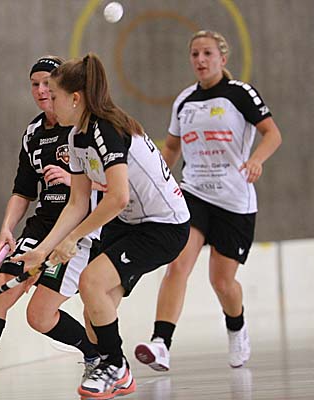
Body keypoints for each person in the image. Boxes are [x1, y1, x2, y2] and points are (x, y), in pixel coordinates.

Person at [15, 52, 191, 399]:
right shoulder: (76, 137)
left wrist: (72, 239)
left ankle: (115, 367)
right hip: (129, 223)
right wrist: (43, 250)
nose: (49, 100)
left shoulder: (105, 130)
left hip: (163, 225)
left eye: (55, 94)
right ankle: (114, 371)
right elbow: (77, 203)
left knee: (90, 281)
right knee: (94, 311)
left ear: (75, 98)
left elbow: (118, 197)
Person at [0, 56, 101, 400]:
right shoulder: (33, 133)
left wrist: (73, 179)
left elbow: (112, 182)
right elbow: (23, 190)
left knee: (39, 317)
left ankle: (95, 355)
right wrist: (7, 228)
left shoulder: (85, 126)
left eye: (48, 84)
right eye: (34, 84)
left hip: (77, 231)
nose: (41, 91)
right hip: (40, 227)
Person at [134, 30, 282, 371]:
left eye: (207, 53)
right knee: (178, 265)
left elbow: (272, 133)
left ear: (222, 58)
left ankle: (237, 328)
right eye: (195, 54)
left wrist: (256, 159)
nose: (200, 60)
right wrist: (152, 182)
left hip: (234, 199)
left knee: (222, 282)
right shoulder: (185, 100)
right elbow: (172, 148)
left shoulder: (240, 93)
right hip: (194, 193)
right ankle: (161, 343)